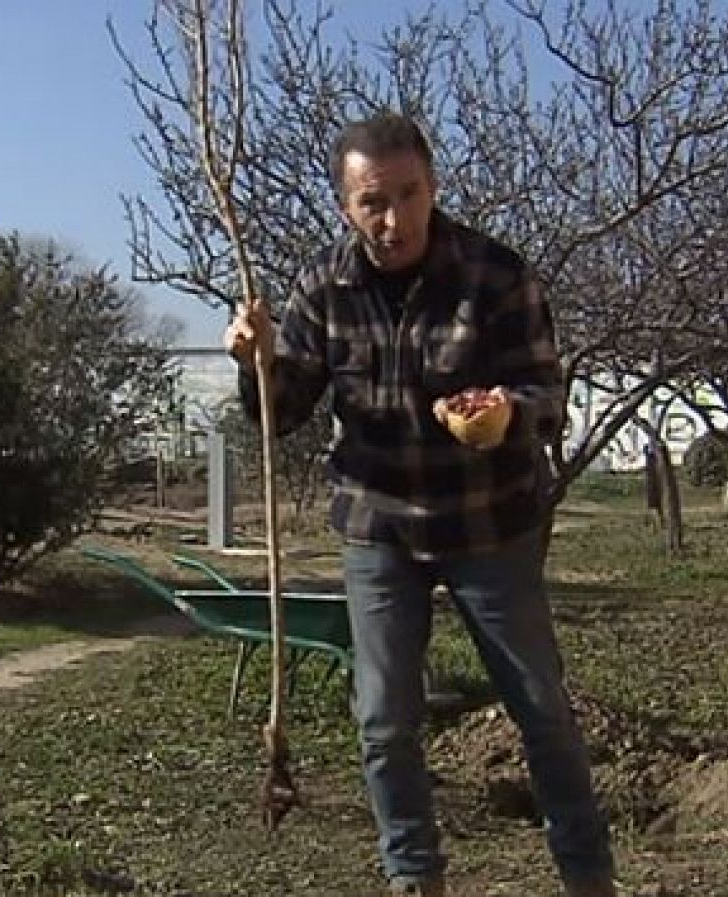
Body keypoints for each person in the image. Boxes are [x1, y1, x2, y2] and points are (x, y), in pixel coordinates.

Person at [224, 113, 617, 897]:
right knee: (383, 718)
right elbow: (283, 411)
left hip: (488, 524)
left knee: (540, 708)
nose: (393, 218)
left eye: (409, 195)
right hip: (379, 525)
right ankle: (414, 877)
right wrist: (256, 360)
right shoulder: (322, 285)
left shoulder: (497, 275)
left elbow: (549, 394)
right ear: (345, 205)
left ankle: (589, 878)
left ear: (433, 187)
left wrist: (507, 416)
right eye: (373, 201)